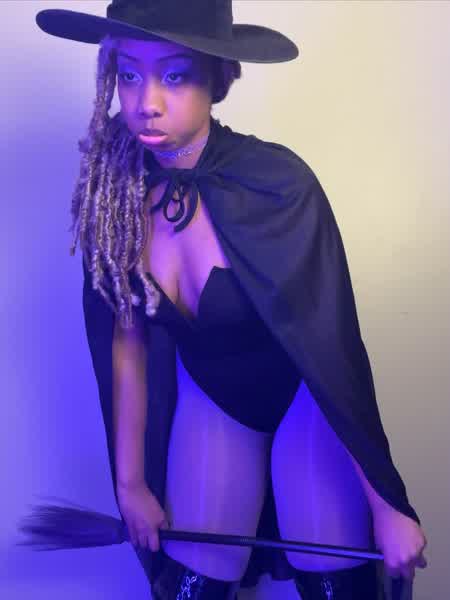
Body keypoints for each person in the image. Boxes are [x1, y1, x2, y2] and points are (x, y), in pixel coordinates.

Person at [36, 1, 428, 599]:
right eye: (129, 74)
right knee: (193, 587)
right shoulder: (115, 199)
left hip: (305, 403)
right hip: (215, 402)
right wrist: (131, 484)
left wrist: (387, 506)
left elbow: (334, 351)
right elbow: (127, 343)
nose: (146, 102)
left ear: (217, 79)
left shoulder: (278, 184)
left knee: (335, 582)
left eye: (174, 75)